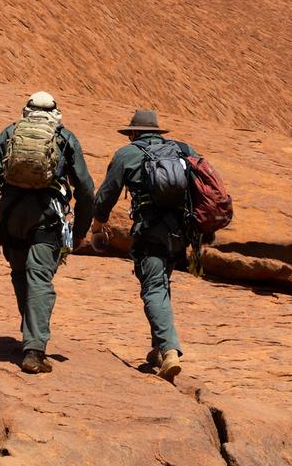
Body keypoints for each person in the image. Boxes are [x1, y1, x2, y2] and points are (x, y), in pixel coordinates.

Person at [0, 92, 94, 374]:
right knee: (39, 277)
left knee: (20, 273)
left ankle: (31, 335)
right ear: (55, 113)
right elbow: (85, 189)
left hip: (11, 216)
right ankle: (34, 349)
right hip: (47, 217)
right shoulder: (65, 138)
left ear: (26, 111)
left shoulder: (10, 133)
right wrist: (81, 230)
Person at [92, 109, 200, 383]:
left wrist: (97, 222)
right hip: (181, 232)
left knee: (153, 287)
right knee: (162, 283)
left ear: (133, 132)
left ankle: (170, 350)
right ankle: (159, 348)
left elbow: (107, 194)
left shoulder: (127, 154)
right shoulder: (182, 149)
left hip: (150, 230)